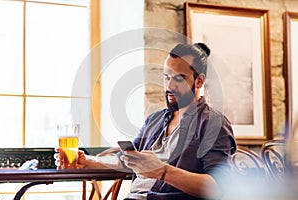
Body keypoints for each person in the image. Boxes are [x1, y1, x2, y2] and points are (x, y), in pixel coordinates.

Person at [55, 43, 237, 200]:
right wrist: (87, 161)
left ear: (199, 81)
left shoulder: (214, 124)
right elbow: (128, 160)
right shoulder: (155, 120)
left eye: (178, 78)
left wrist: (163, 172)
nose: (169, 86)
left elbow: (217, 188)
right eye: (166, 77)